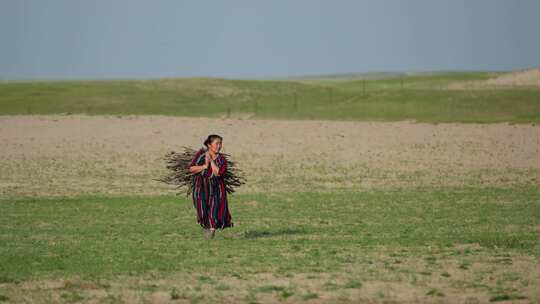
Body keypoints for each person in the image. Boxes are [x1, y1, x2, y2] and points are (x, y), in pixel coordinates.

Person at [189, 134, 234, 239]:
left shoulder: (222, 160)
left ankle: (211, 232)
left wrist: (211, 160)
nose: (219, 146)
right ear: (209, 145)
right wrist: (204, 166)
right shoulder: (200, 155)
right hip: (200, 187)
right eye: (216, 143)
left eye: (220, 144)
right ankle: (206, 227)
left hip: (216, 188)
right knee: (202, 210)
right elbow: (191, 168)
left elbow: (218, 173)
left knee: (214, 210)